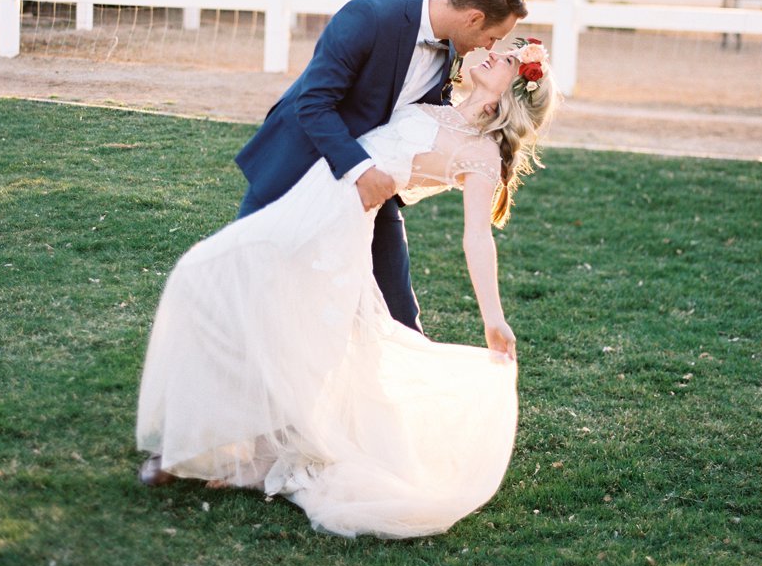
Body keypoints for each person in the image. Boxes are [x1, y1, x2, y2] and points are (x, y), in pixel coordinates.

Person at [136, 37, 556, 539]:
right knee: (235, 296)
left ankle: (219, 452)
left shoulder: (482, 153)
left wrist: (493, 316)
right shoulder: (438, 105)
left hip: (337, 224)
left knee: (221, 284)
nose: (493, 52)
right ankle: (221, 446)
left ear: (514, 89)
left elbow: (477, 237)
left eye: (508, 58)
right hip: (312, 195)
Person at [233, 0, 528, 332]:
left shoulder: (452, 52)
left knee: (399, 317)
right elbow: (312, 103)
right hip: (299, 165)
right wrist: (362, 171)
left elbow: (427, 123)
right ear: (474, 18)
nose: (490, 48)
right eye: (492, 37)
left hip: (372, 195)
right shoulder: (370, 16)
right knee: (246, 288)